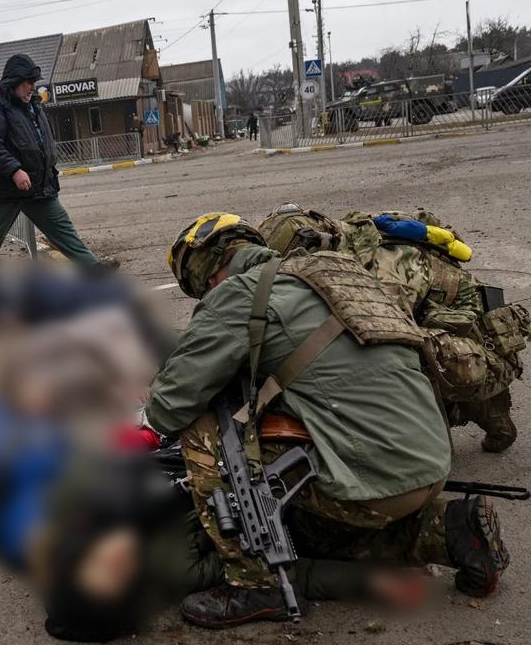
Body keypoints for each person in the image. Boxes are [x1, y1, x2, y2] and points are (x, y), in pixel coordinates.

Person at [146, 213, 509, 629]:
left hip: (374, 482)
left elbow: (168, 408)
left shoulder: (238, 295)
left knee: (208, 429)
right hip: (429, 462)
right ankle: (452, 529)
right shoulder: (339, 272)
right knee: (306, 525)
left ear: (207, 274)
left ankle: (257, 583)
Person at [258, 204, 529, 452]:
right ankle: (490, 421)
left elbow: (390, 343)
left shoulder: (383, 269)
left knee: (405, 364)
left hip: (479, 351)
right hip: (448, 330)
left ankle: (436, 445)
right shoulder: (350, 238)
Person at [0, 54, 106, 266]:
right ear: (14, 82)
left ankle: (93, 268)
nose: (33, 87)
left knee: (62, 229)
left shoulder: (32, 106)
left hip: (37, 185)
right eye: (28, 82)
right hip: (6, 189)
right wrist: (14, 171)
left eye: (34, 82)